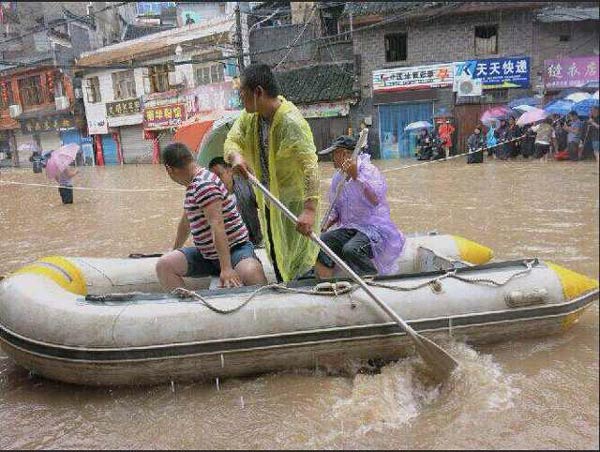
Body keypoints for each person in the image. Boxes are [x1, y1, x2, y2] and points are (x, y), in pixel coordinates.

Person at [223, 63, 320, 282]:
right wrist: (236, 156)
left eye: (243, 94)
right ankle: (283, 289)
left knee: (300, 260)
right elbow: (232, 139)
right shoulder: (251, 118)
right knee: (276, 255)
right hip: (268, 202)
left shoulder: (291, 122)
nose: (241, 99)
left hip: (293, 206)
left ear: (258, 92)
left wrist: (310, 209)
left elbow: (310, 166)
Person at [155, 143, 267, 290]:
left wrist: (226, 268)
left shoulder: (204, 184)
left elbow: (217, 225)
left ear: (169, 170)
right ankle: (187, 307)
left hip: (235, 250)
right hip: (206, 256)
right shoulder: (193, 184)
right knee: (164, 265)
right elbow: (186, 222)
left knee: (252, 272)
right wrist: (176, 249)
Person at [316, 136, 405, 278]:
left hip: (374, 229)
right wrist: (325, 225)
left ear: (344, 154)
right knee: (323, 242)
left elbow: (375, 200)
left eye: (335, 154)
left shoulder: (368, 170)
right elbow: (335, 209)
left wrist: (356, 177)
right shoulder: (338, 177)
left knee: (351, 249)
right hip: (350, 228)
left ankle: (372, 279)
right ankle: (325, 283)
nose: (332, 158)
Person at [208, 156, 263, 246]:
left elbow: (261, 205)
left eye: (219, 175)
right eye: (213, 177)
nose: (216, 180)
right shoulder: (212, 197)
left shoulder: (246, 183)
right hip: (231, 244)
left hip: (254, 238)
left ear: (230, 171)